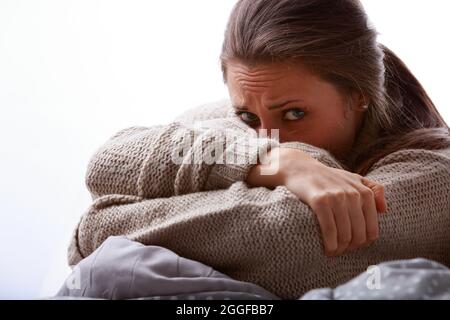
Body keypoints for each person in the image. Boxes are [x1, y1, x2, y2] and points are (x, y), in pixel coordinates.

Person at [68, 0, 450, 299]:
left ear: (359, 94)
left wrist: (97, 225)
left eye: (295, 114)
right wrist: (274, 161)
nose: (271, 133)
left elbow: (281, 234)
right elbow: (110, 161)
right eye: (247, 117)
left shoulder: (432, 176)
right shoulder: (258, 109)